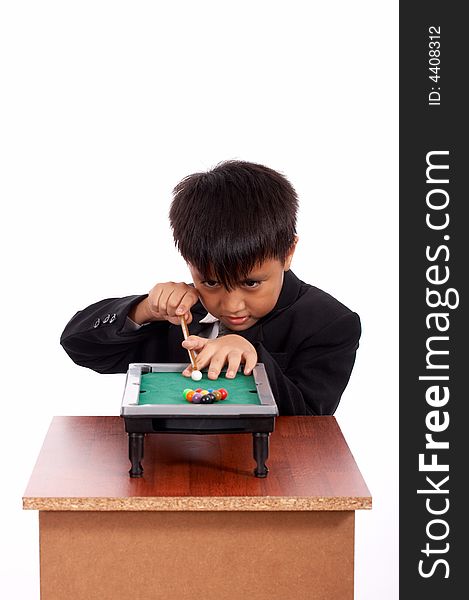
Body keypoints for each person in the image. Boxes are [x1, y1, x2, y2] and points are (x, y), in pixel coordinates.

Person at [60, 160, 360, 415]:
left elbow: (312, 424)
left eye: (251, 283)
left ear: (289, 252)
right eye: (211, 282)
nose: (231, 306)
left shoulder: (330, 323)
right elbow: (80, 348)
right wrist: (144, 310)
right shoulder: (179, 312)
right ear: (189, 261)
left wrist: (251, 355)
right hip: (170, 466)